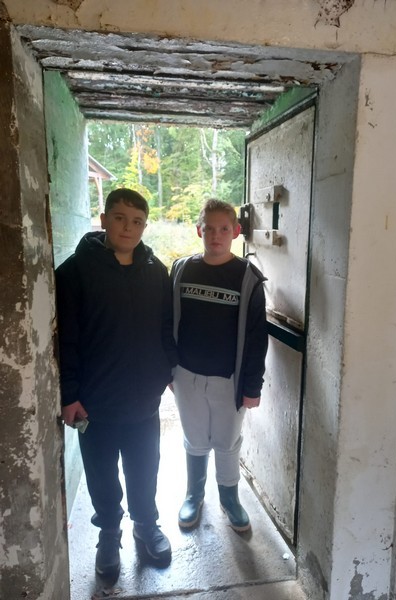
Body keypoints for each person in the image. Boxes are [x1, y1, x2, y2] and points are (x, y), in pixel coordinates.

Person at [55, 188, 177, 577]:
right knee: (101, 473)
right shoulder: (73, 273)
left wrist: (166, 374)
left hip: (143, 400)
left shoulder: (156, 272)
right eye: (120, 218)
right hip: (95, 402)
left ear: (144, 226)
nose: (128, 227)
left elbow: (166, 330)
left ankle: (145, 525)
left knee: (145, 467)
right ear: (104, 219)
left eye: (137, 221)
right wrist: (69, 394)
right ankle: (109, 532)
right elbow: (65, 340)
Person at [170, 198, 268, 532]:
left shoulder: (248, 278)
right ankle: (193, 495)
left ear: (236, 232)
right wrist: (168, 369)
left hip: (230, 380)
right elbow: (167, 322)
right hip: (186, 375)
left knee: (227, 440)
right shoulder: (182, 270)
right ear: (199, 230)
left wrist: (252, 386)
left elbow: (257, 337)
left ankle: (229, 497)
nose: (216, 235)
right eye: (209, 228)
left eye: (224, 229)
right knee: (194, 437)